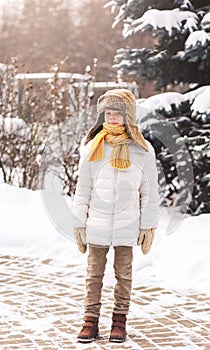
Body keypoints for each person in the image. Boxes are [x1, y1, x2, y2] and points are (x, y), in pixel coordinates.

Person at [72, 88, 160, 343]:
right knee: (94, 274)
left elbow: (149, 191)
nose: (111, 118)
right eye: (108, 113)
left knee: (124, 274)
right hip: (97, 223)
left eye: (117, 114)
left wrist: (148, 226)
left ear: (128, 117)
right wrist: (79, 224)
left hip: (128, 224)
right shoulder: (93, 147)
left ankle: (119, 322)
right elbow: (83, 189)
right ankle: (90, 321)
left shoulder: (142, 150)